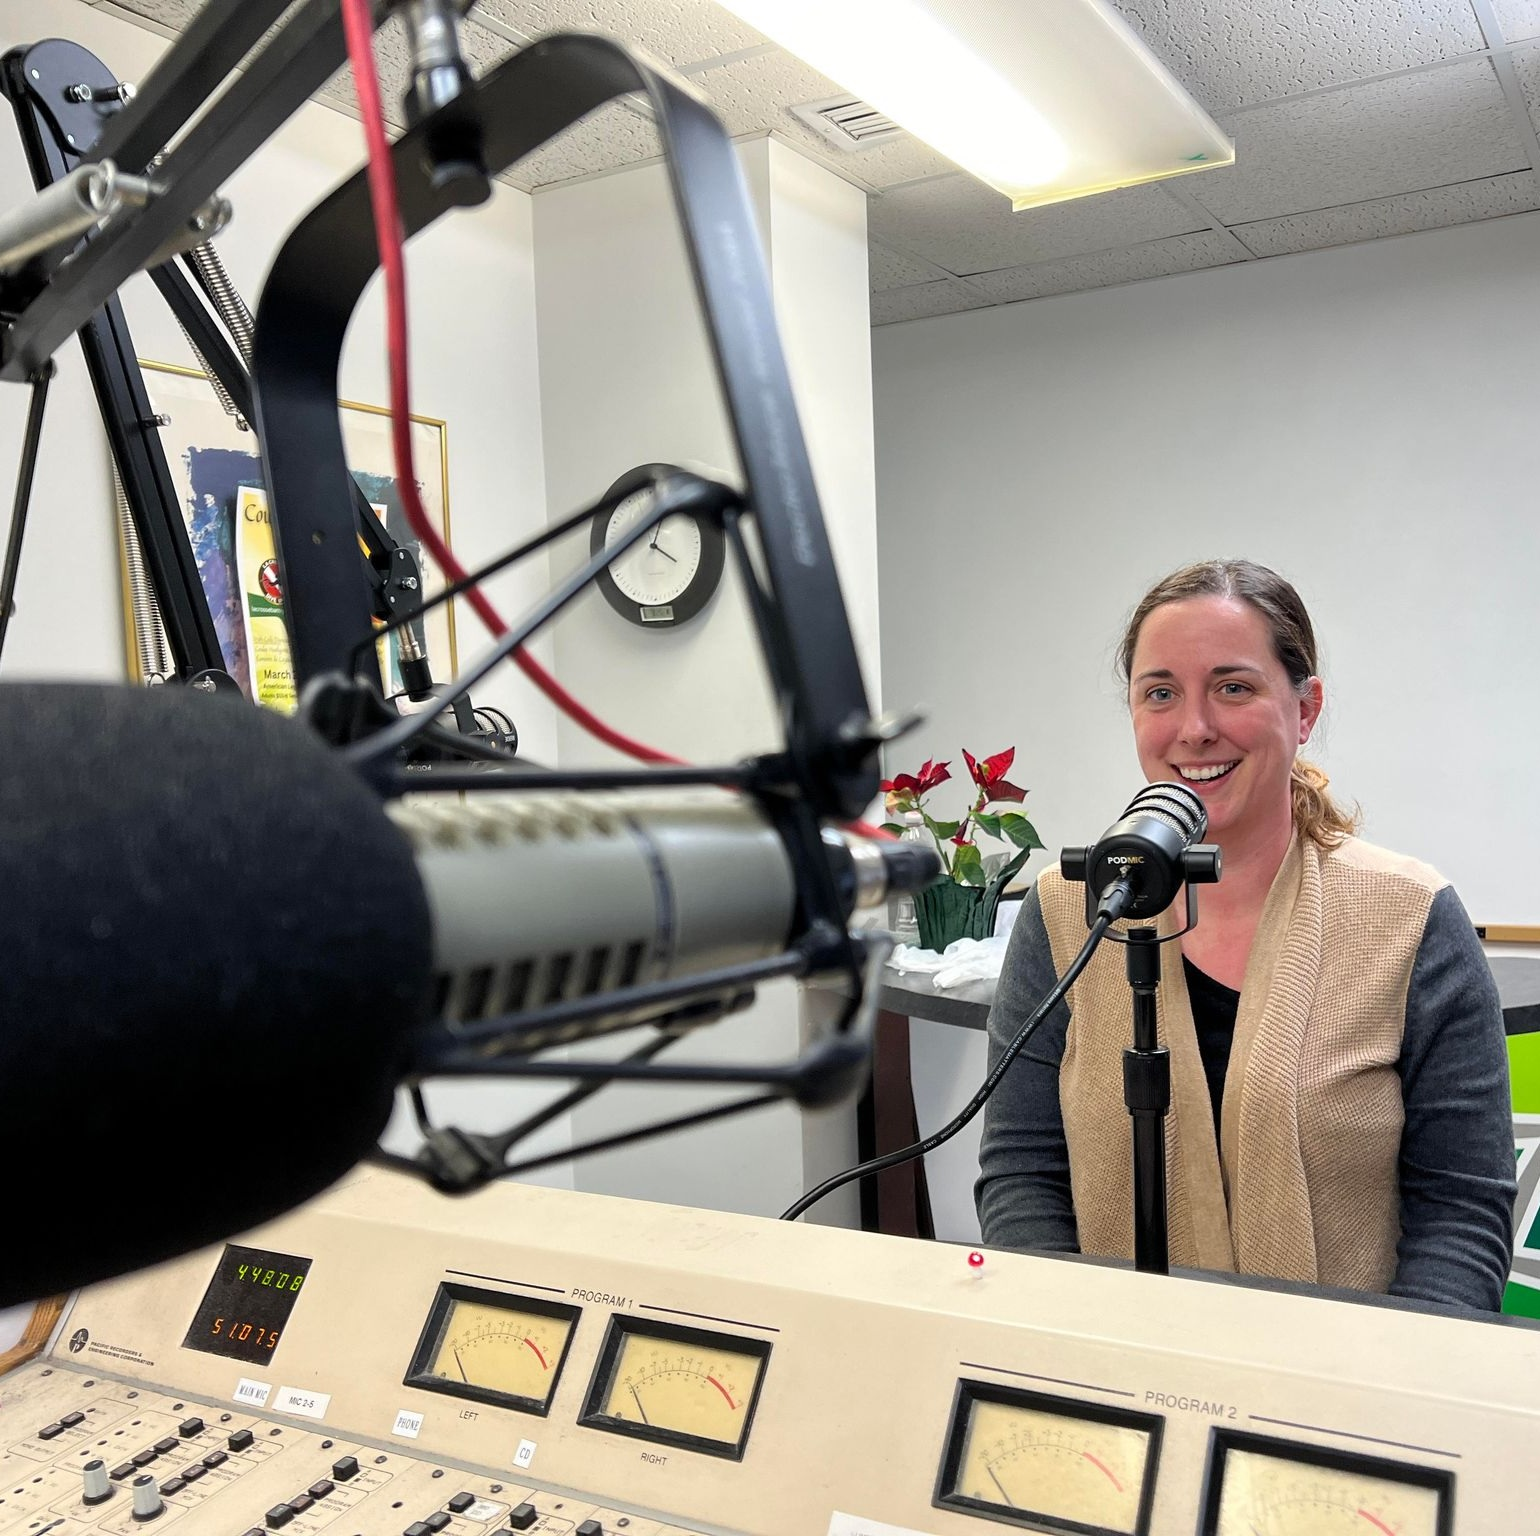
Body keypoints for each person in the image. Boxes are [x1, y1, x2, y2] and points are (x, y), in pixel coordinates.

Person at [974, 559, 1516, 1311]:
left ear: (1305, 708)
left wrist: (1382, 1369)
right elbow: (1023, 1174)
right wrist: (1071, 1343)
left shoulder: (1410, 917)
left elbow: (1461, 1212)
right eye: (1161, 693)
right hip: (1114, 1360)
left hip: (1346, 1370)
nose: (1195, 729)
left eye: (1233, 688)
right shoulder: (1069, 912)